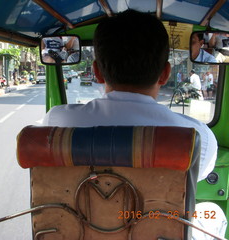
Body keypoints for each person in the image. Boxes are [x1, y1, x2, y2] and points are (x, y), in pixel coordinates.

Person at [42, 10, 225, 238]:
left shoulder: (57, 123)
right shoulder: (198, 137)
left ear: (97, 72)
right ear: (165, 74)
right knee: (213, 213)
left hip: (78, 231)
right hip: (158, 231)